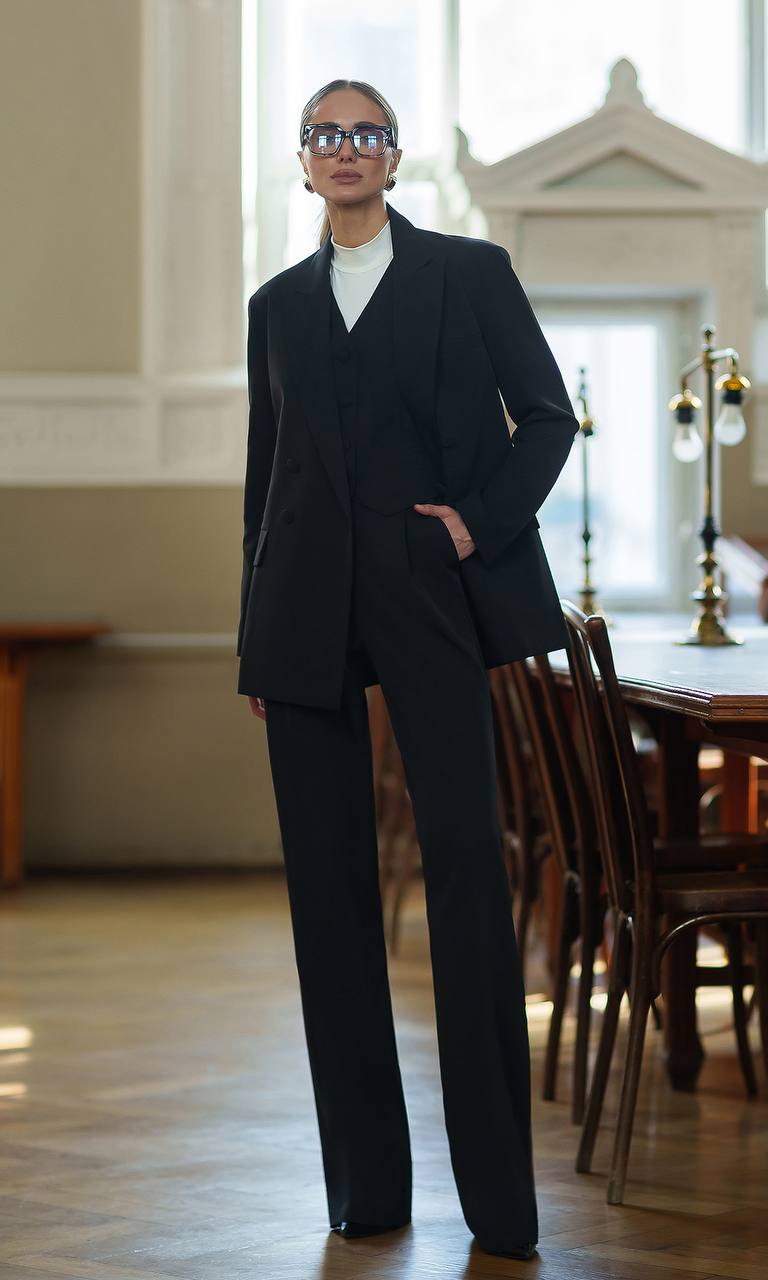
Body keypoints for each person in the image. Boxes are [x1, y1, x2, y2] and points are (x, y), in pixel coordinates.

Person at [236, 78, 578, 1263]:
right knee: (327, 905)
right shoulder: (275, 305)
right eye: (325, 135)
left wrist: (471, 526)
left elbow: (547, 420)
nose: (345, 150)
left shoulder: (467, 276)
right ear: (303, 160)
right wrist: (254, 636)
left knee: (470, 884)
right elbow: (263, 481)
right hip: (302, 621)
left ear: (393, 157)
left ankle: (499, 1205)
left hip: (432, 595)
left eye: (364, 134)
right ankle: (365, 1190)